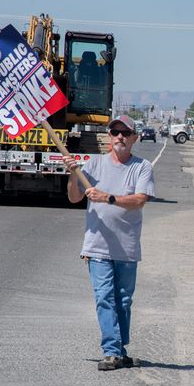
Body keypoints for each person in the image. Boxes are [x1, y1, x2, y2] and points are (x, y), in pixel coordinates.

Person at [64, 115, 156, 371]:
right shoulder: (93, 165)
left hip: (126, 248)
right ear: (108, 137)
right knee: (104, 298)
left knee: (123, 301)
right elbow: (74, 197)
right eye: (115, 132)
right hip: (97, 247)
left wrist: (109, 198)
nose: (120, 137)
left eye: (125, 133)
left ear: (134, 138)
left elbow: (139, 200)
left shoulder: (142, 167)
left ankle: (119, 348)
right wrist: (73, 174)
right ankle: (112, 351)